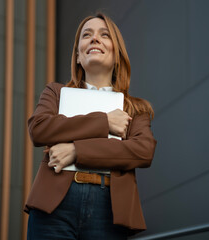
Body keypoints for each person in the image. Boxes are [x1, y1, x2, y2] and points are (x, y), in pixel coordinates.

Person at [25, 13, 157, 240]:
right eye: (87, 35)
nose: (94, 39)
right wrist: (105, 122)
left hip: (109, 210)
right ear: (77, 55)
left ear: (117, 54)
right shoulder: (55, 93)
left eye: (104, 35)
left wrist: (76, 151)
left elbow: (142, 150)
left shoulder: (136, 108)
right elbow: (39, 128)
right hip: (53, 208)